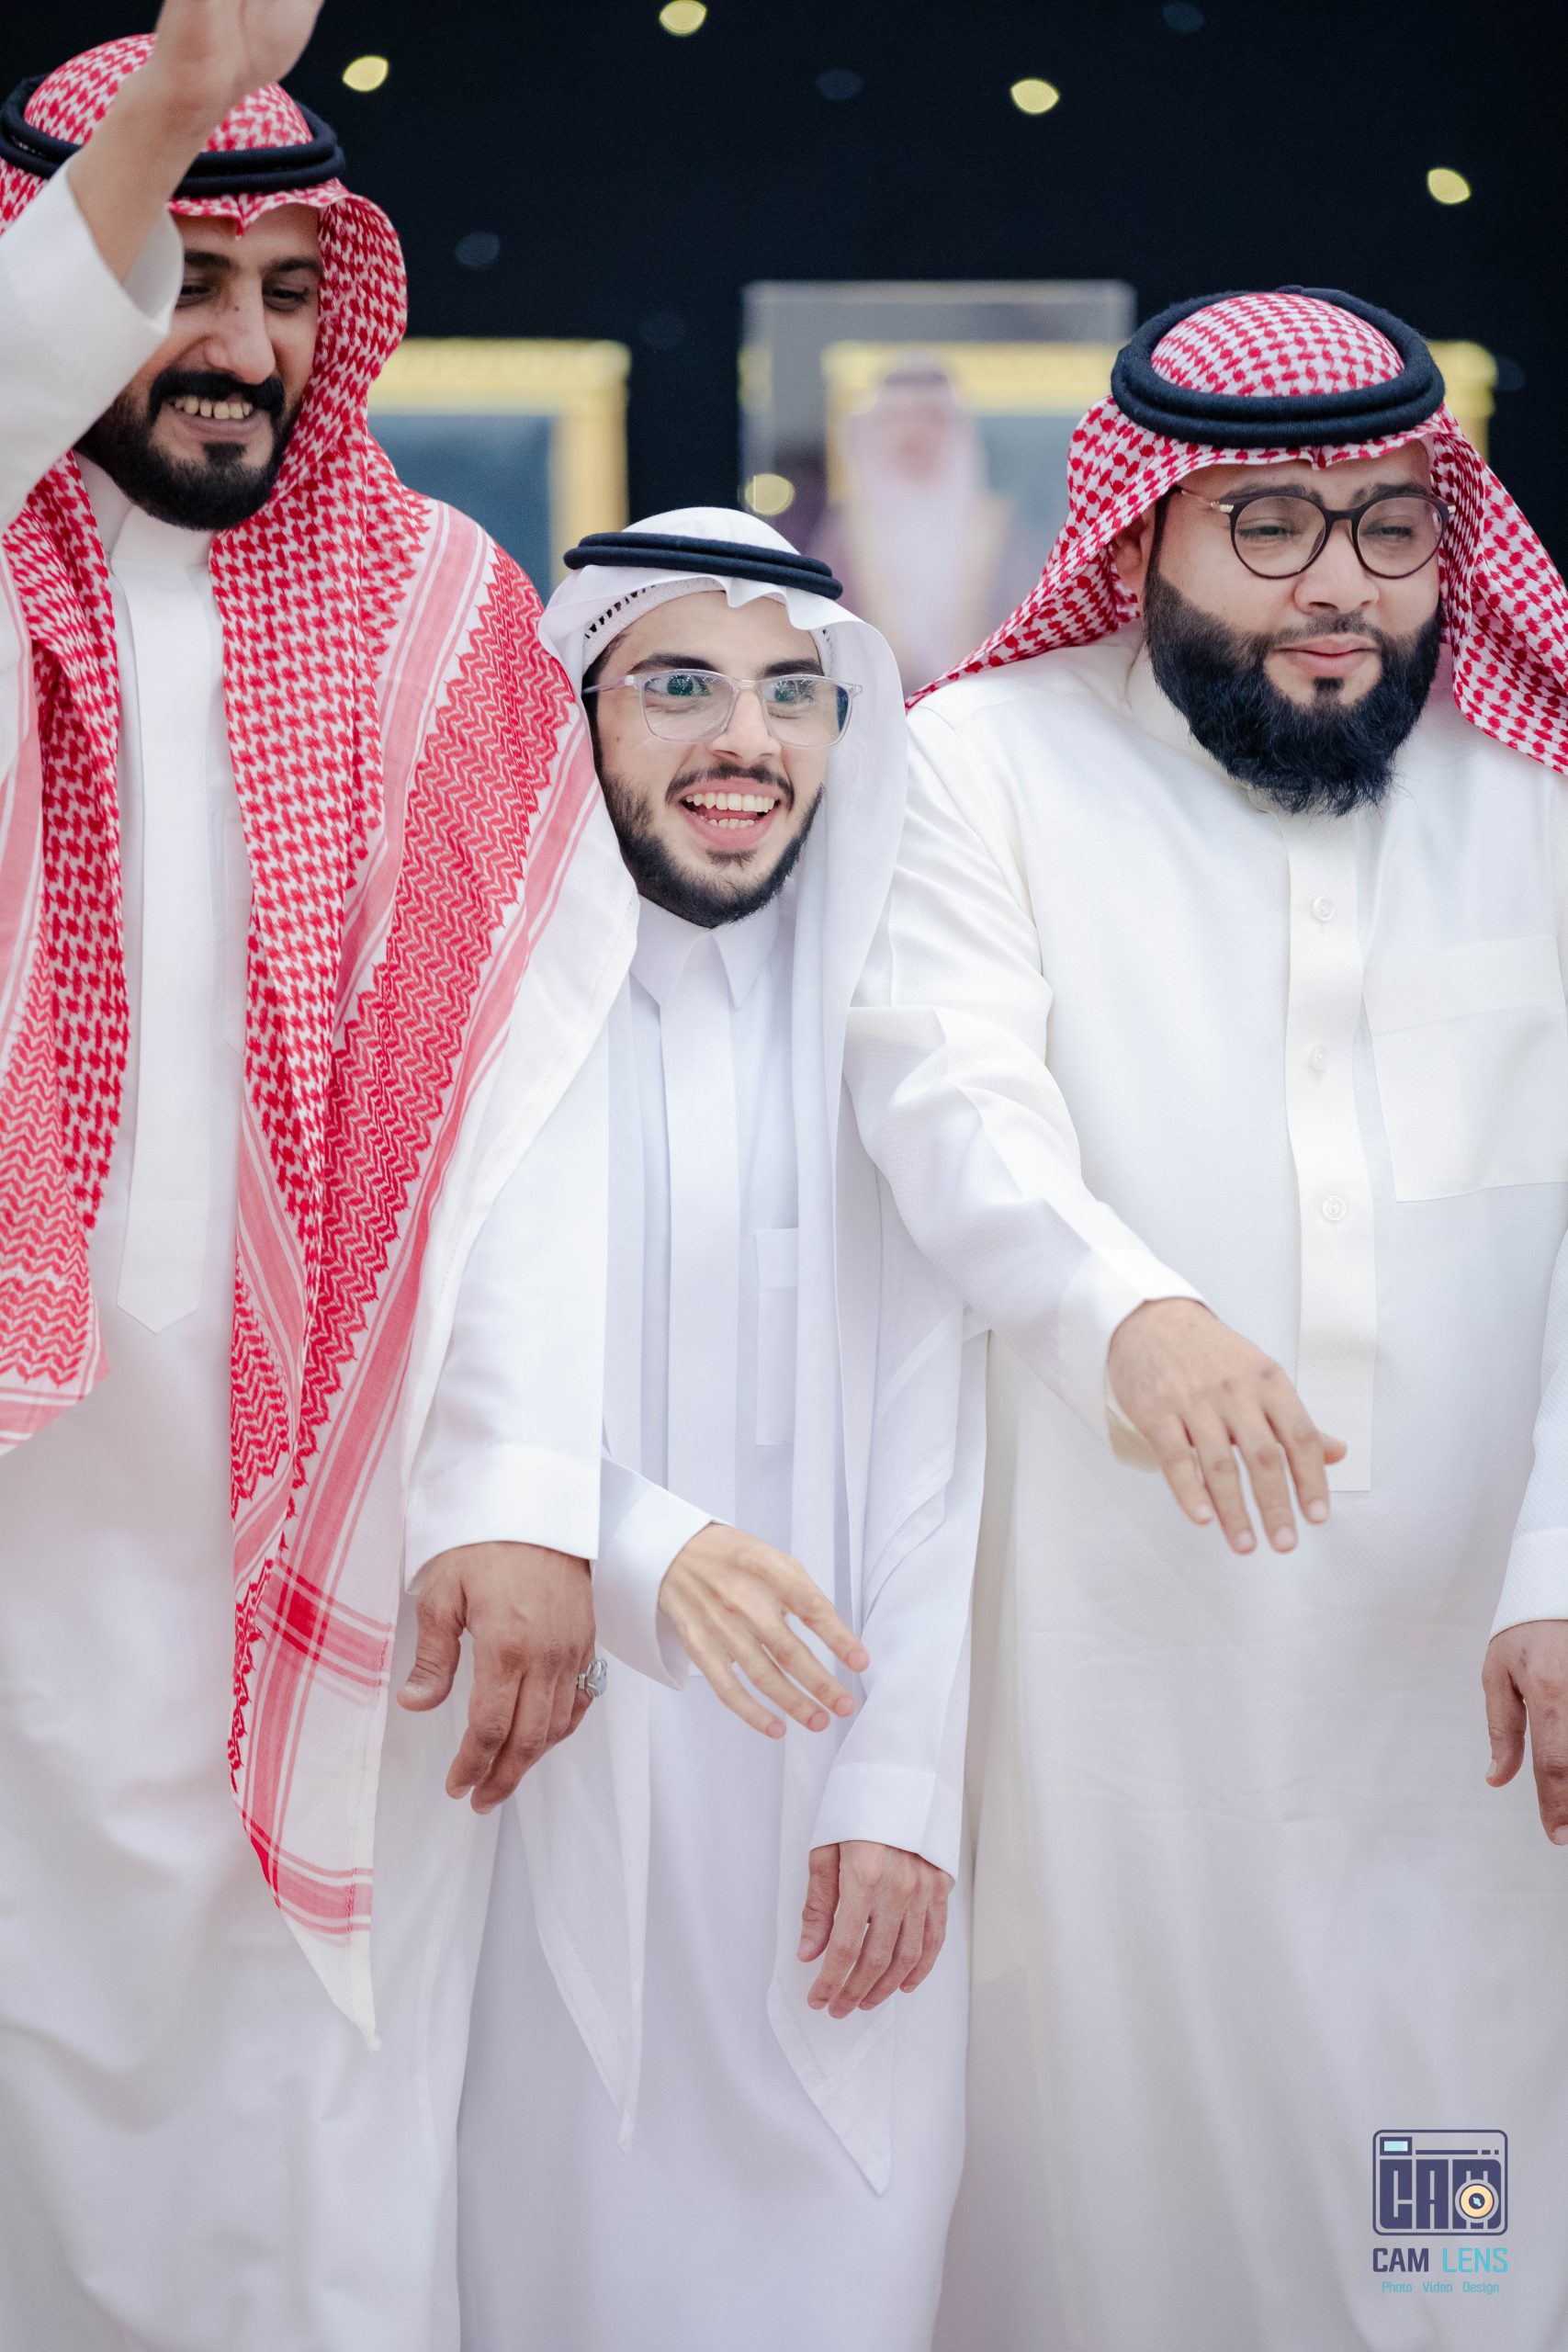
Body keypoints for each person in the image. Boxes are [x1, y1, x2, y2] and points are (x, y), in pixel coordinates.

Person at [843, 288, 1568, 2349]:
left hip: (1476, 1668)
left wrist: (1560, 1554)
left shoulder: (1531, 788)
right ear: (1142, 525)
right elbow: (940, 1086)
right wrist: (1129, 1311)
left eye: (1389, 526)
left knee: (1452, 2212)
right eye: (1268, 524)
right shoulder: (987, 764)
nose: (1337, 583)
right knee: (1133, 2209)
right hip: (1122, 1658)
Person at [0, 14, 631, 2351]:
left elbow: (536, 1101)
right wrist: (166, 106)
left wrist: (523, 1492)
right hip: (33, 1523)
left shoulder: (441, 612)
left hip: (347, 1513)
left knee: (322, 2124)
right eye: (187, 278)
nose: (246, 349)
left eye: (290, 289)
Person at [457, 510, 986, 2352]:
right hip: (540, 1785)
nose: (742, 739)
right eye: (677, 685)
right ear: (578, 711)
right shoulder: (487, 1032)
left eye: (789, 693)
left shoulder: (888, 1039)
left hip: (838, 1811)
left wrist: (900, 1787)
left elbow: (940, 1452)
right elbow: (419, 1387)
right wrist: (632, 1549)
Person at [812, 356, 1032, 695]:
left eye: (930, 418)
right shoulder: (847, 530)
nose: (912, 433)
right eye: (898, 418)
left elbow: (1025, 637)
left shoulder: (995, 527)